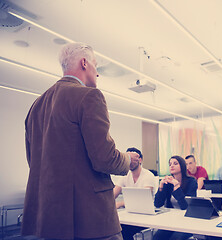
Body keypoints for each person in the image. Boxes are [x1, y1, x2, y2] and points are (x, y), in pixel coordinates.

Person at [22, 42, 140, 240]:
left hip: (50, 217)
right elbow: (105, 158)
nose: (98, 73)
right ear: (84, 63)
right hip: (91, 218)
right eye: (96, 65)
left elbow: (33, 161)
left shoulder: (36, 105)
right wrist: (129, 159)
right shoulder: (89, 96)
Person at [113, 147, 157, 240]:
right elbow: (113, 195)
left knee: (122, 230)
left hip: (145, 216)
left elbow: (144, 201)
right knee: (114, 228)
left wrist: (121, 203)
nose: (129, 161)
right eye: (128, 158)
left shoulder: (148, 176)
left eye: (132, 159)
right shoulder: (125, 175)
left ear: (140, 160)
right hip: (130, 215)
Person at [153, 156, 197, 240]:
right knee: (157, 237)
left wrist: (176, 186)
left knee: (175, 238)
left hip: (187, 221)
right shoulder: (168, 182)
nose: (172, 166)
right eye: (170, 164)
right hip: (172, 219)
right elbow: (157, 204)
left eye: (175, 163)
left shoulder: (192, 181)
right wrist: (161, 186)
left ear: (182, 166)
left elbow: (186, 206)